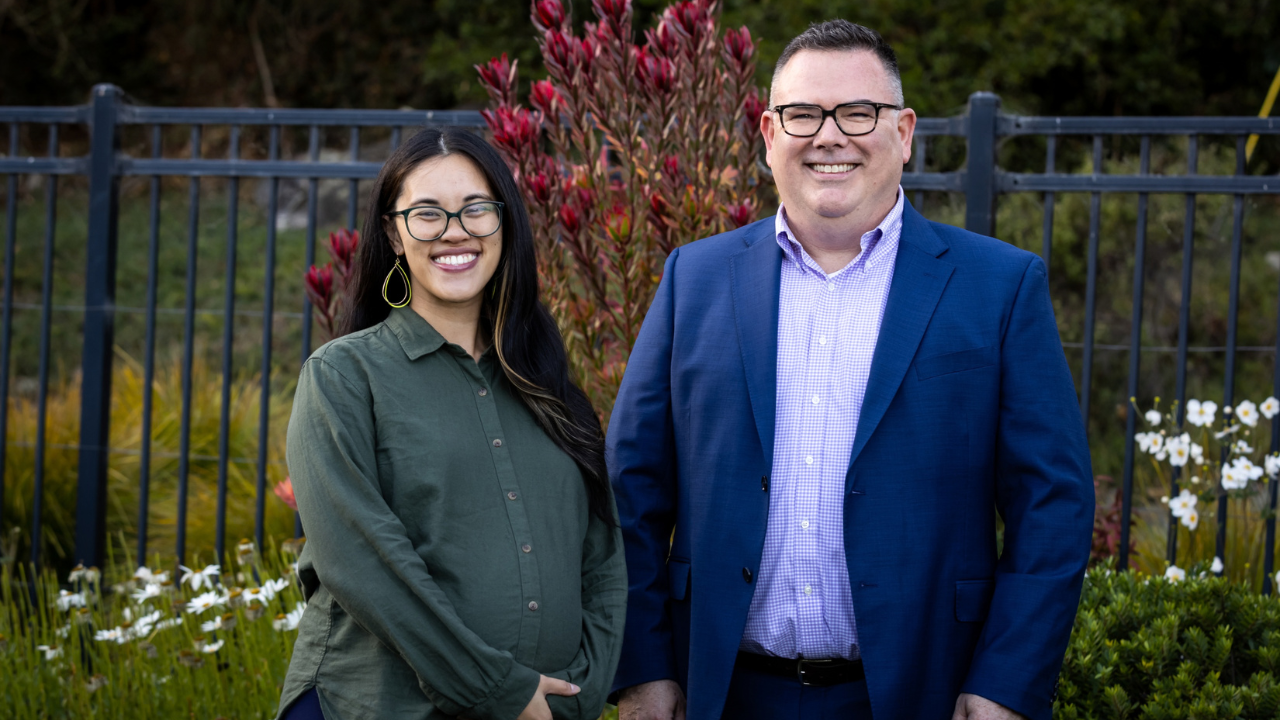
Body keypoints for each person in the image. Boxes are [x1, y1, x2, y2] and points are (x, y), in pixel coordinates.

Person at [608, 19, 1093, 720]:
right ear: (771, 136)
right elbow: (632, 490)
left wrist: (1006, 685)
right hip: (720, 692)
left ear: (903, 132)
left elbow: (1054, 503)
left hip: (920, 692)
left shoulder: (998, 287)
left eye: (857, 113)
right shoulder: (696, 279)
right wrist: (643, 667)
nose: (829, 135)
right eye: (804, 114)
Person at [278, 127, 626, 720]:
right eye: (427, 215)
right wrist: (500, 690)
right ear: (393, 232)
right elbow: (362, 564)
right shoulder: (342, 377)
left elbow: (602, 558)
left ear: (504, 223)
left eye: (475, 209)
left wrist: (584, 693)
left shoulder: (548, 386)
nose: (454, 231)